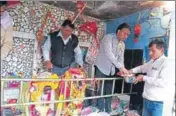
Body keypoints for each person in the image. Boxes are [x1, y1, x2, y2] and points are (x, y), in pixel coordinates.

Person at [126, 39, 175, 116]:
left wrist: (144, 78)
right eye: (149, 50)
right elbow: (142, 68)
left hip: (158, 103)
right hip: (146, 100)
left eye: (153, 51)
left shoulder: (167, 63)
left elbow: (162, 83)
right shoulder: (152, 61)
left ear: (162, 50)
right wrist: (130, 71)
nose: (150, 53)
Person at [94, 22, 131, 113]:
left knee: (109, 93)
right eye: (124, 33)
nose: (126, 36)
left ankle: (107, 112)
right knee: (100, 92)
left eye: (128, 35)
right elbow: (109, 54)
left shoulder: (122, 44)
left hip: (111, 71)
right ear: (118, 31)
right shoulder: (108, 38)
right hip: (101, 68)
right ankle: (100, 111)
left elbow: (121, 59)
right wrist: (120, 67)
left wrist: (122, 69)